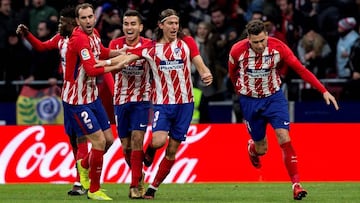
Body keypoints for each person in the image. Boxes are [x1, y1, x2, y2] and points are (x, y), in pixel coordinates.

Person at [97, 8, 213, 199]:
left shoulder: (187, 42)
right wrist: (105, 64)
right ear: (161, 25)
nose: (174, 27)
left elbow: (198, 61)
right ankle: (149, 151)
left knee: (172, 149)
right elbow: (125, 59)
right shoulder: (151, 48)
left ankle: (153, 188)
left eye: (176, 23)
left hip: (186, 104)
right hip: (163, 104)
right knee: (158, 141)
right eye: (170, 23)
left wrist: (205, 72)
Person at [228, 20, 339, 200]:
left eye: (262, 40)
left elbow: (300, 69)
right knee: (262, 148)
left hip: (274, 98)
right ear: (248, 38)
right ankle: (253, 149)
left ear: (266, 35)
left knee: (284, 138)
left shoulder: (278, 47)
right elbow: (232, 74)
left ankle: (296, 184)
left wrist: (323, 90)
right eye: (255, 42)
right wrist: (241, 93)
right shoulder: (237, 51)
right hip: (250, 101)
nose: (260, 45)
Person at [16, 7, 88, 195]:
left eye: (63, 21)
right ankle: (82, 179)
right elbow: (41, 47)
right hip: (68, 96)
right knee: (74, 139)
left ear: (73, 23)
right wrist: (27, 35)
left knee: (95, 139)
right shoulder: (60, 39)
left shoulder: (85, 38)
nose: (59, 24)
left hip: (85, 95)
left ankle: (86, 179)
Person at [63, 3, 122, 200]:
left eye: (91, 17)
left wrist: (120, 53)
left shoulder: (94, 33)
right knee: (98, 142)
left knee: (109, 141)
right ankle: (94, 190)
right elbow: (91, 69)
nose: (89, 21)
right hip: (77, 100)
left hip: (92, 97)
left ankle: (84, 165)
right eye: (84, 18)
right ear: (78, 21)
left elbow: (102, 52)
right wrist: (116, 63)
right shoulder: (79, 39)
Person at [107, 9, 152, 199]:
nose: (129, 27)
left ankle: (134, 186)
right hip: (120, 100)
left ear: (140, 27)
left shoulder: (149, 45)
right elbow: (109, 69)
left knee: (137, 140)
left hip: (141, 100)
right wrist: (114, 93)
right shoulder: (115, 44)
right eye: (126, 24)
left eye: (133, 24)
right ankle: (138, 174)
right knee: (125, 146)